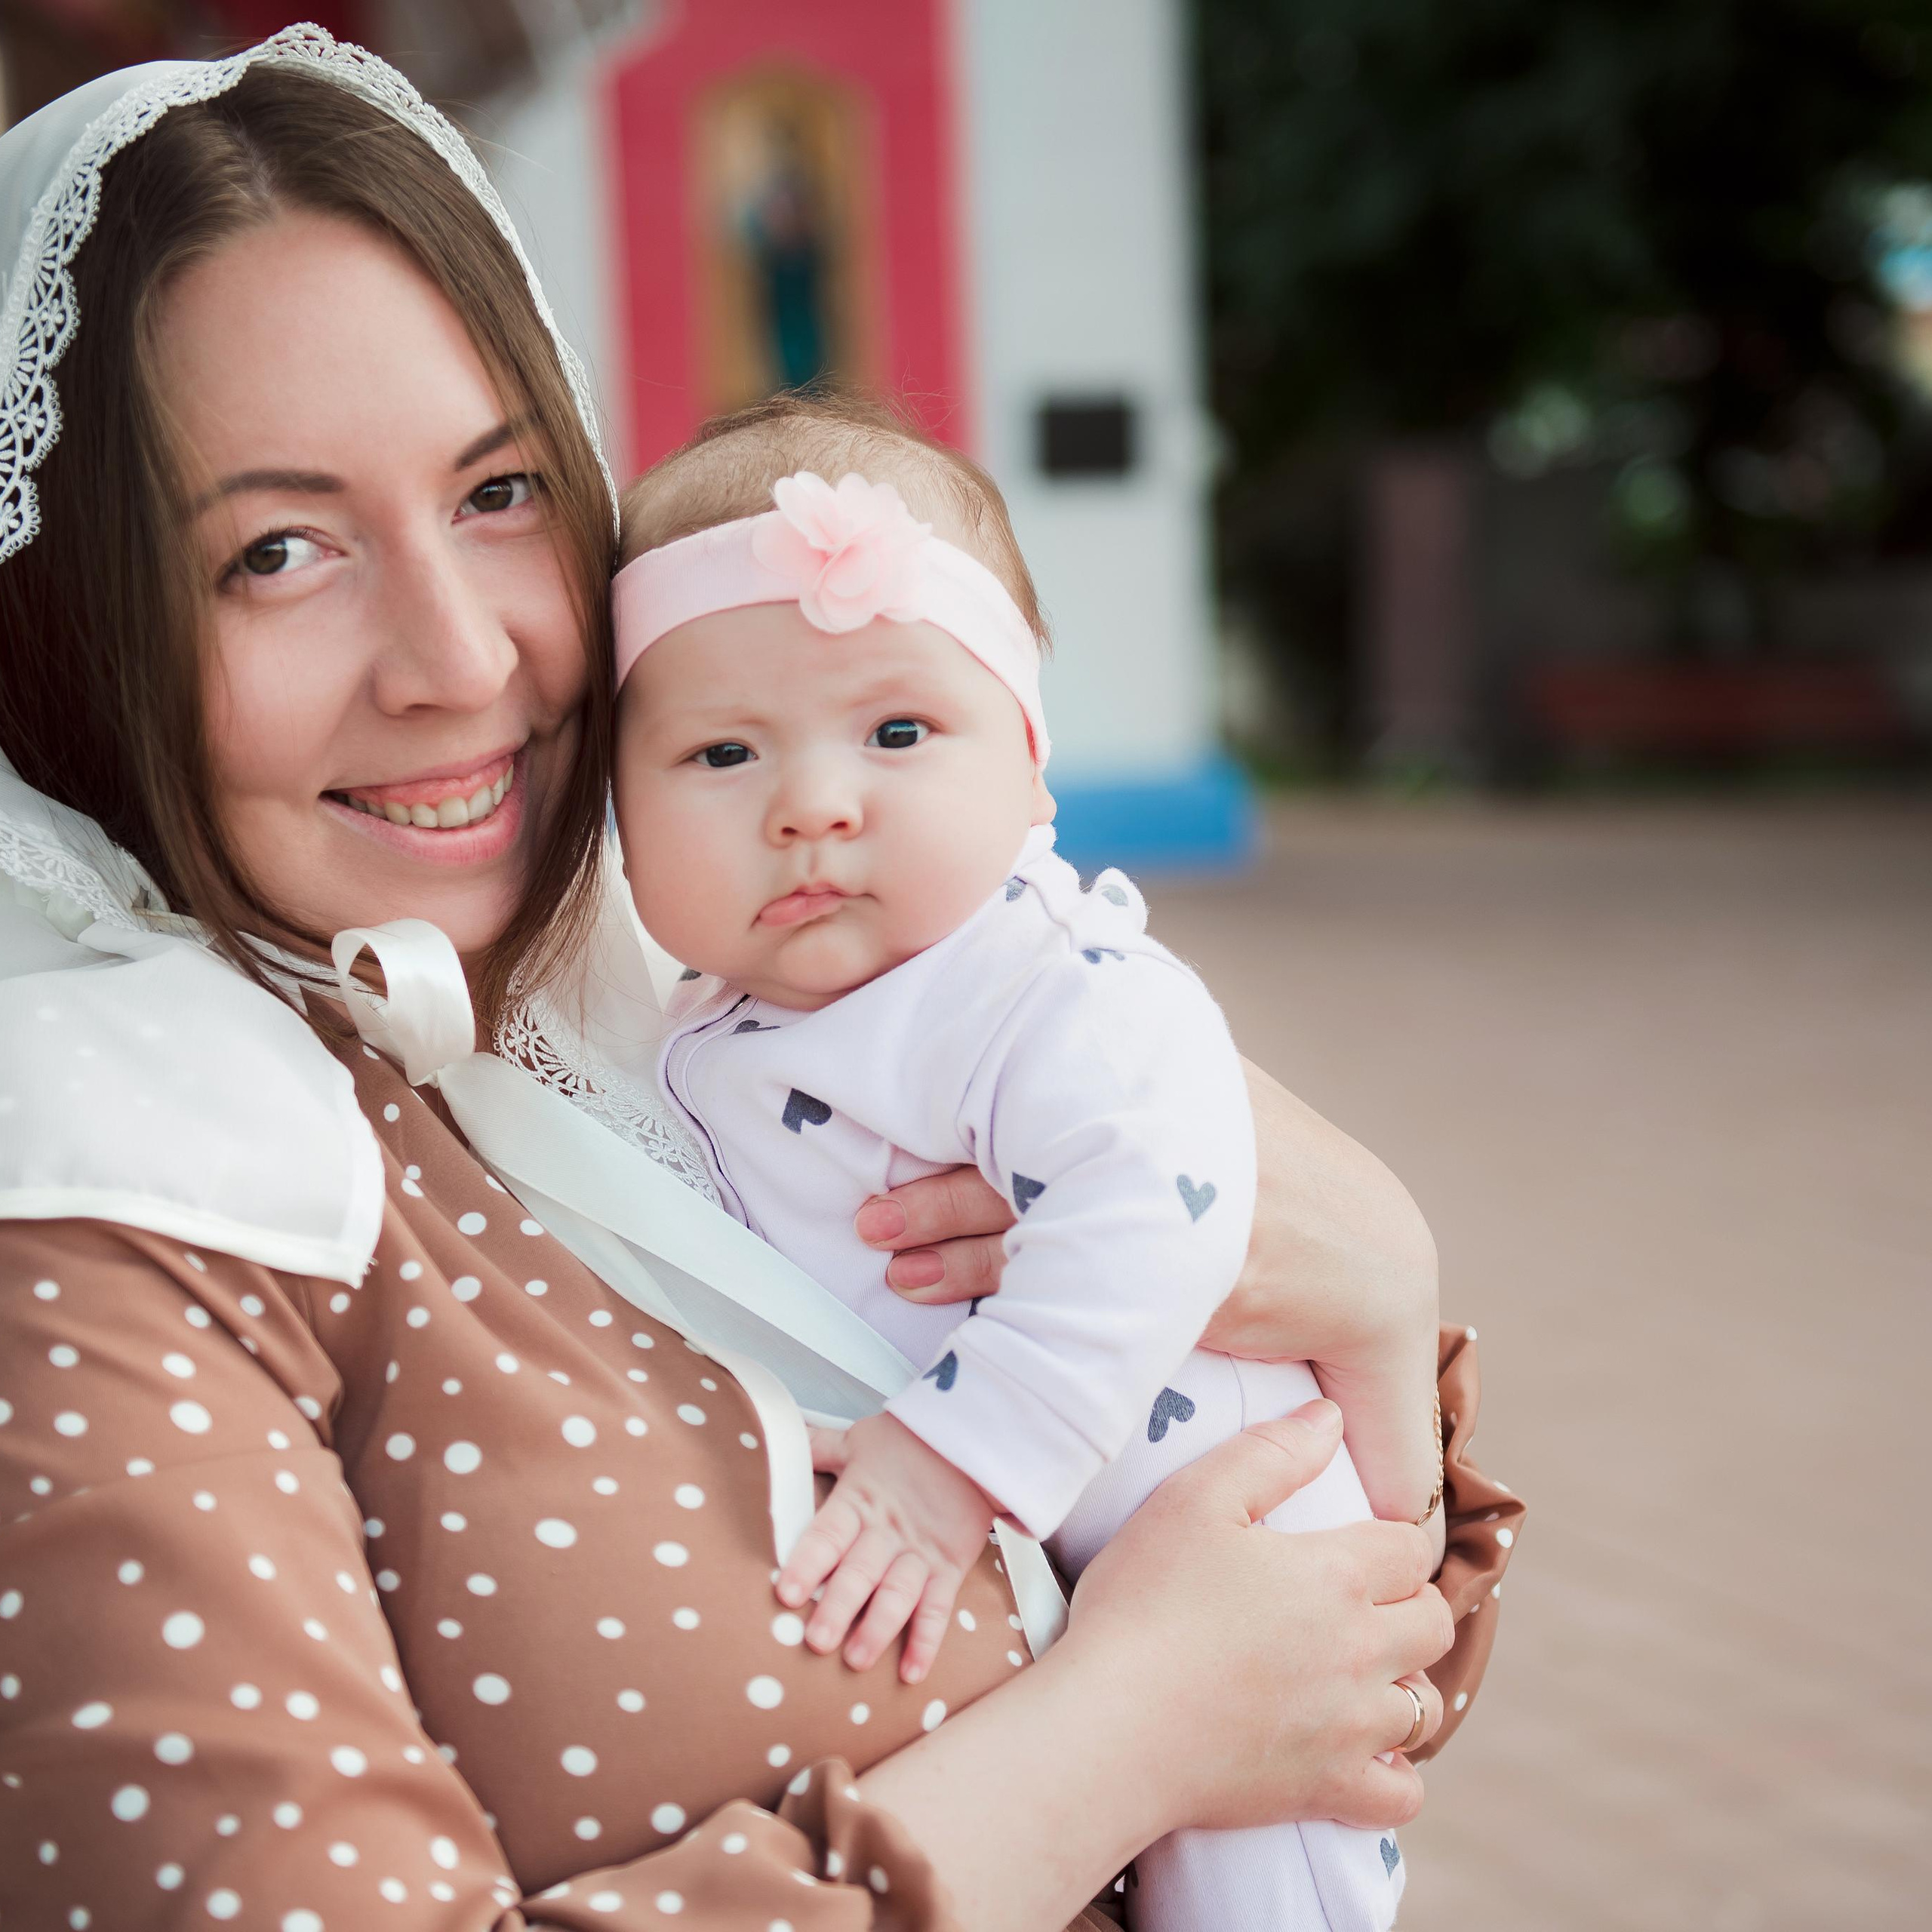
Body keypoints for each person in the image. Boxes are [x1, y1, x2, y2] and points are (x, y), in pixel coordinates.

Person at [0, 27, 1517, 1930]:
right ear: (64, 625)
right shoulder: (102, 1188)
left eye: (497, 494)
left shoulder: (671, 989)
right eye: (278, 552)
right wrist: (1130, 1727)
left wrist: (1379, 1270)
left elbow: (1356, 1665)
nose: (460, 658)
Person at [609, 401, 1428, 1932]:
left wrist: (948, 1467)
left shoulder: (1044, 978)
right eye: (721, 750)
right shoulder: (699, 1027)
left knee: (1260, 1890)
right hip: (1082, 1596)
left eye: (898, 731)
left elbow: (1156, 1213)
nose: (813, 802)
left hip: (1247, 1540)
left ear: (1030, 761)